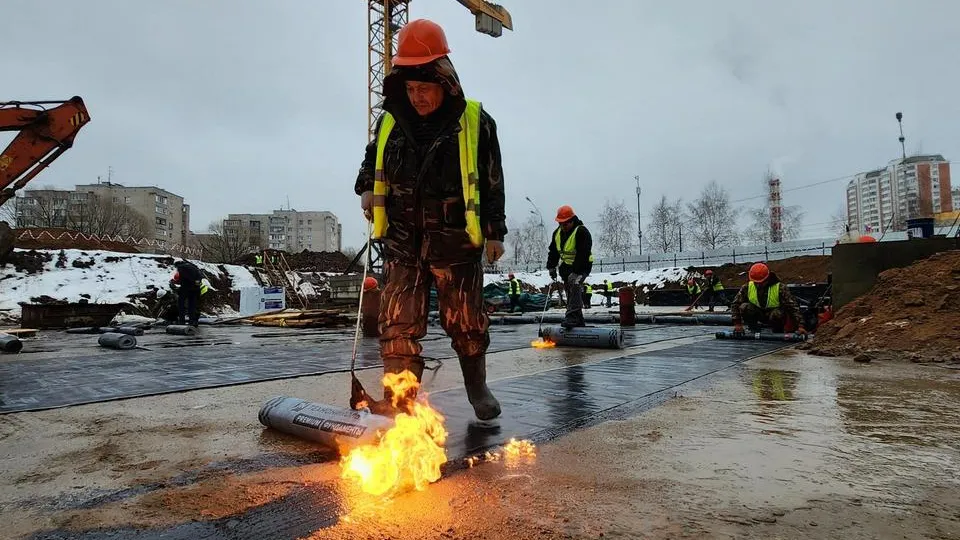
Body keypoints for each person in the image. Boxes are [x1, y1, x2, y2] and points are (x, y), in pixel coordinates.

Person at [355, 19, 506, 421]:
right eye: (411, 88)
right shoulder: (390, 121)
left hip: (454, 240)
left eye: (425, 88)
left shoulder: (475, 121)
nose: (417, 97)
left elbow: (492, 180)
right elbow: (372, 160)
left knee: (467, 320)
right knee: (398, 322)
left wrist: (495, 232)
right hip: (403, 239)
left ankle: (477, 386)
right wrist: (367, 186)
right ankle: (401, 401)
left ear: (444, 81)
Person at [545, 205, 593, 328]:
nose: (563, 227)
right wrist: (551, 266)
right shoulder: (557, 234)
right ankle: (578, 320)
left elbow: (583, 254)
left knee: (575, 285)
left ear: (572, 221)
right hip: (566, 267)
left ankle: (572, 317)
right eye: (560, 224)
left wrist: (576, 272)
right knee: (569, 291)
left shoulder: (582, 232)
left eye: (565, 224)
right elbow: (554, 252)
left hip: (582, 266)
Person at [730, 262, 807, 335]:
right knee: (744, 307)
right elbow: (735, 304)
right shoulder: (747, 287)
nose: (758, 285)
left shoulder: (780, 288)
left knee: (777, 313)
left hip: (774, 317)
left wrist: (801, 326)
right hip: (758, 313)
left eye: (761, 282)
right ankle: (753, 328)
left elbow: (792, 307)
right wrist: (737, 324)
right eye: (756, 283)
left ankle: (777, 331)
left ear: (767, 278)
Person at [169, 259, 203, 326]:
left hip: (186, 289)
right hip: (195, 289)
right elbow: (199, 277)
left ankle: (182, 321)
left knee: (181, 305)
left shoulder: (181, 267)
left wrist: (174, 283)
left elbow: (183, 278)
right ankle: (192, 321)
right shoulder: (194, 267)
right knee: (192, 306)